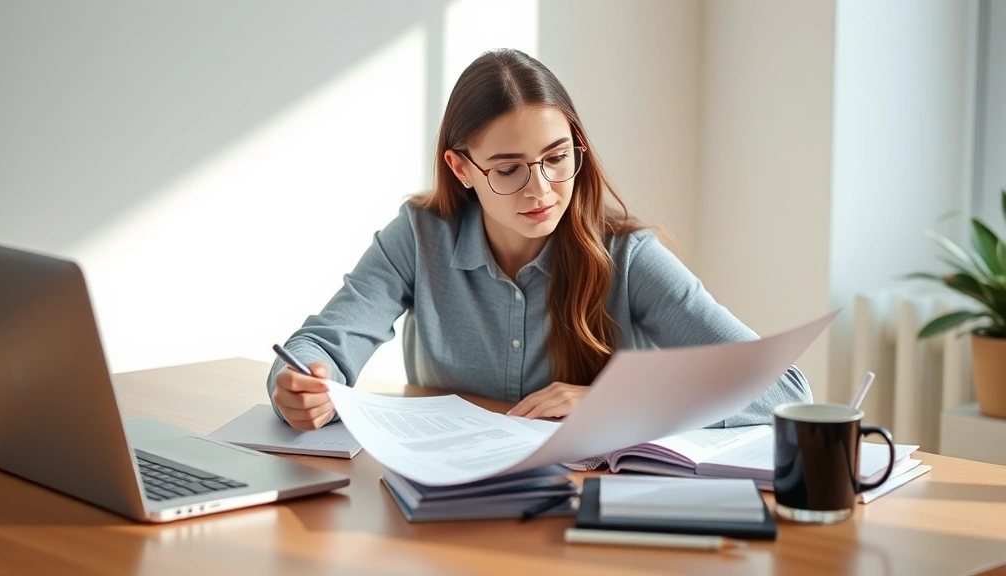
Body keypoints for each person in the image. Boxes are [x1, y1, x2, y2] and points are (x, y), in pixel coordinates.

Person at [267, 48, 811, 431]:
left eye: (556, 158)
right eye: (508, 170)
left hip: (587, 514)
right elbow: (318, 347)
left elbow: (784, 391)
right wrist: (299, 384)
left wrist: (612, 404)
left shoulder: (628, 257)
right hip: (449, 506)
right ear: (461, 168)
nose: (542, 189)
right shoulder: (417, 237)